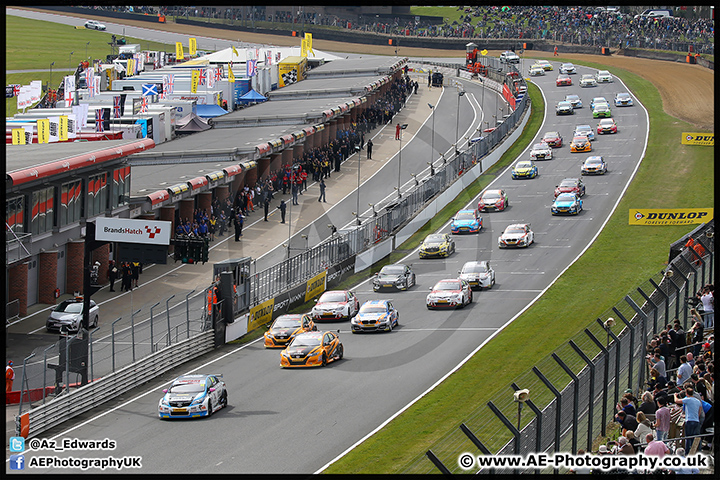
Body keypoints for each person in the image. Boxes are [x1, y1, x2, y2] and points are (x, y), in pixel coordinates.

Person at [674, 389, 703, 453]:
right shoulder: (698, 401)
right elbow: (699, 412)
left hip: (689, 420)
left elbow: (676, 401)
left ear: (687, 394)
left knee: (688, 438)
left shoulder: (687, 399)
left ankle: (687, 453)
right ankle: (697, 451)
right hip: (696, 421)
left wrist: (675, 395)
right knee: (696, 437)